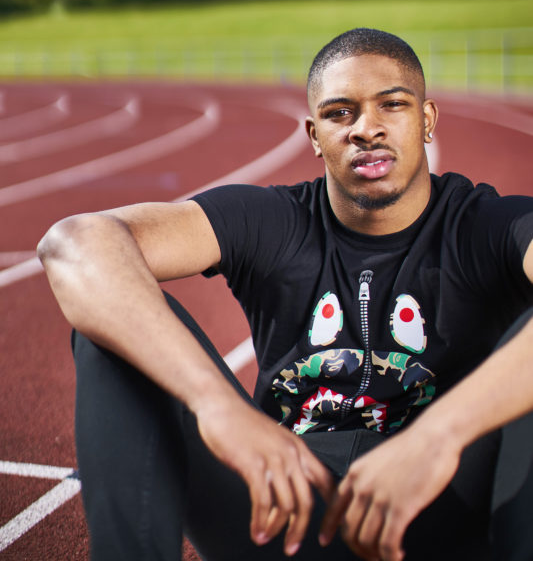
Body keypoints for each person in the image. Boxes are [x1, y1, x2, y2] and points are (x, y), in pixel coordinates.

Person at [38, 28, 533, 561]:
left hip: (442, 511)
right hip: (289, 511)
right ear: (314, 135)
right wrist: (217, 406)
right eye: (340, 113)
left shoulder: (491, 225)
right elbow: (73, 244)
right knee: (112, 334)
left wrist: (437, 437)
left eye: (392, 105)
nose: (366, 128)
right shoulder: (273, 220)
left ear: (427, 120)